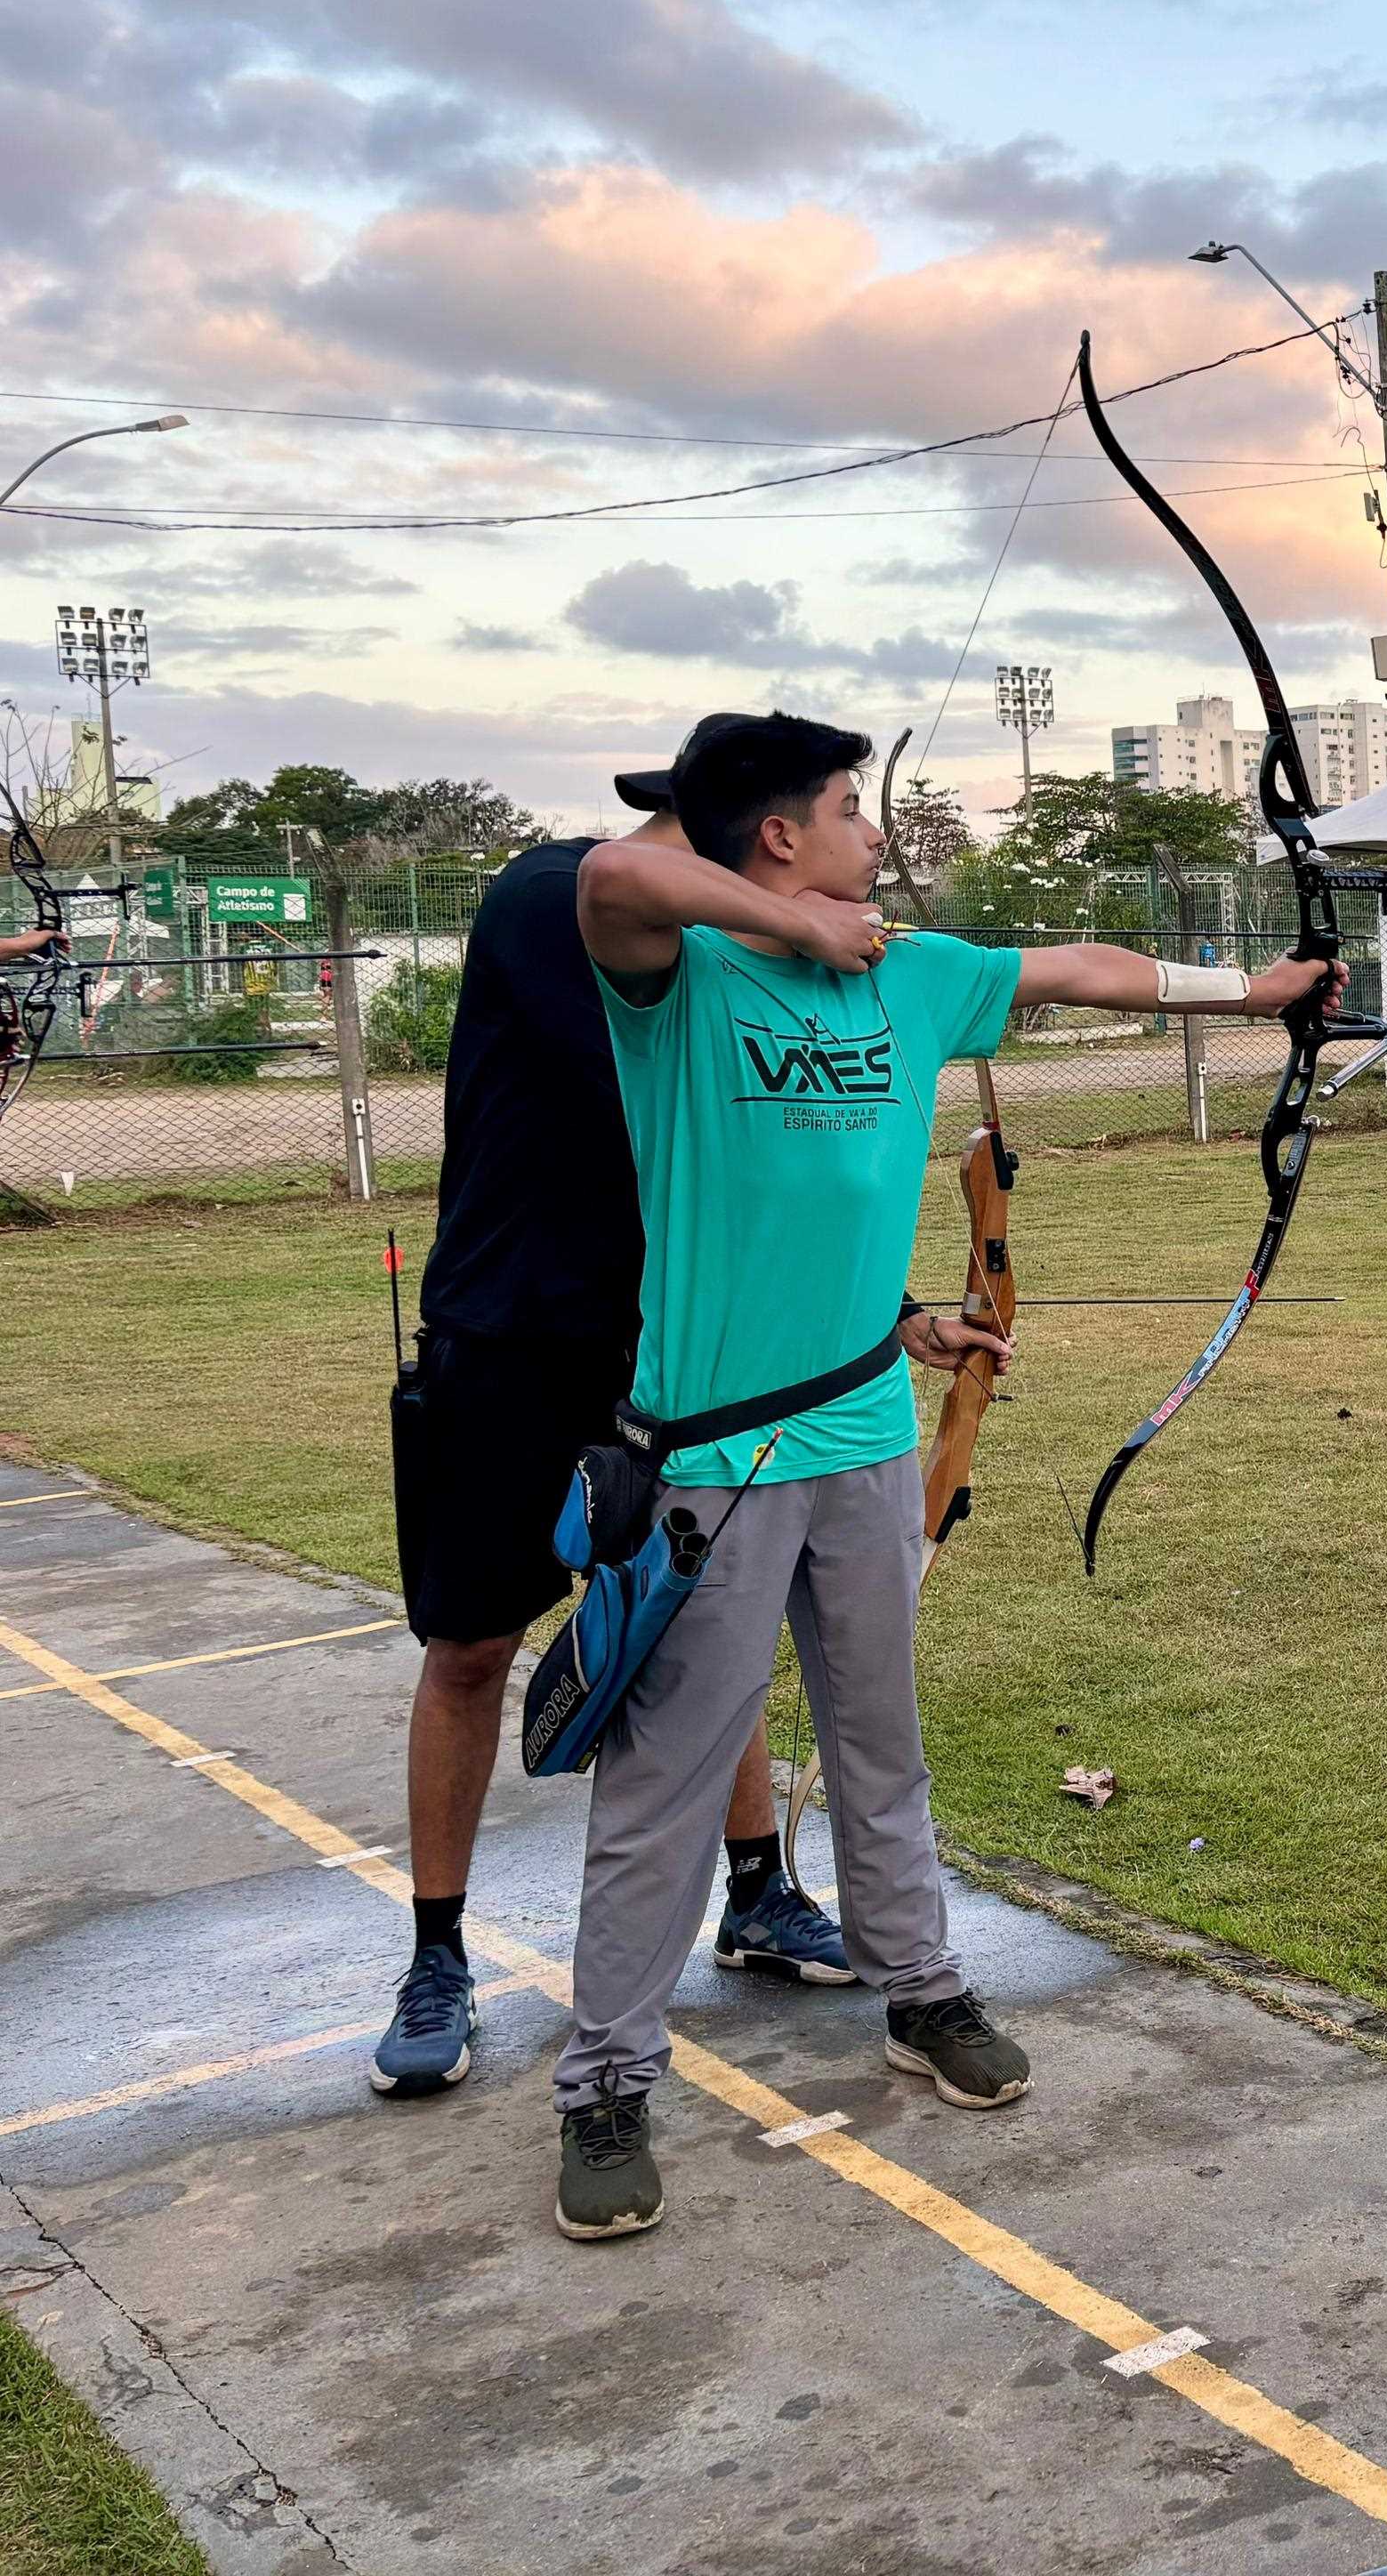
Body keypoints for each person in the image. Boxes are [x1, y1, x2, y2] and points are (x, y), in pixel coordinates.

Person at [551, 711, 1336, 2241]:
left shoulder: (912, 975)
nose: (873, 833)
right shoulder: (681, 980)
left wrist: (1249, 991)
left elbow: (1071, 971)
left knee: (881, 1740)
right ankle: (603, 2079)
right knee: (662, 1780)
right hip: (711, 1459)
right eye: (849, 809)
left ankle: (920, 1992)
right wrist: (796, 928)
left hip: (862, 1435)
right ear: (778, 835)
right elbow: (603, 882)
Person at [375, 770, 849, 2103]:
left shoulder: (704, 953)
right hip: (509, 1341)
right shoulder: (548, 899)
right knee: (469, 1646)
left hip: (661, 1346)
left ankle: (757, 1892)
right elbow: (649, 951)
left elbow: (749, 1150)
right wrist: (795, 931)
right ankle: (438, 1954)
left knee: (697, 1618)